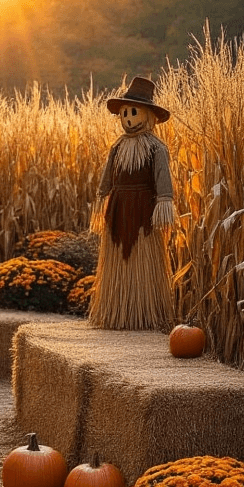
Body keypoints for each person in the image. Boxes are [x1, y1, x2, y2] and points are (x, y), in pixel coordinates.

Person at [88, 75, 175, 330]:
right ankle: (117, 313)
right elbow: (107, 178)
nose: (127, 118)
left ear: (148, 115)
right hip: (117, 208)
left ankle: (144, 314)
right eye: (124, 113)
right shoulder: (117, 147)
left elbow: (162, 180)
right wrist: (101, 198)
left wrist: (164, 202)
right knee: (117, 261)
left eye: (133, 113)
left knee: (141, 259)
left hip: (142, 210)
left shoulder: (156, 148)